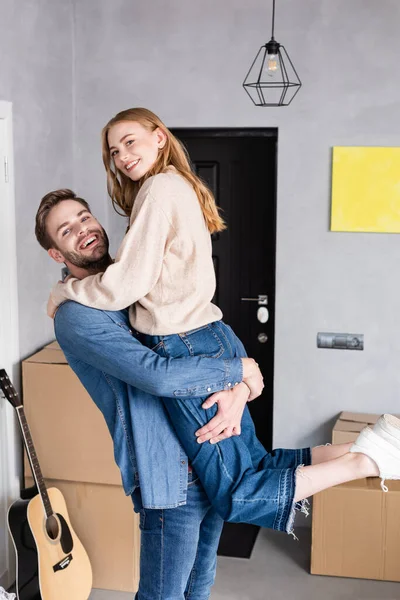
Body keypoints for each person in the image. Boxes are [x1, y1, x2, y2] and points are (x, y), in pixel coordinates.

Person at [41, 105, 400, 593]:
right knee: (188, 567)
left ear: (160, 138)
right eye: (67, 230)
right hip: (169, 472)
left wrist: (241, 380)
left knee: (213, 552)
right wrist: (239, 372)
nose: (85, 227)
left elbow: (167, 333)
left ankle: (369, 457)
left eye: (84, 216)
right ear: (56, 255)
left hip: (196, 412)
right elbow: (160, 375)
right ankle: (369, 454)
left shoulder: (125, 266)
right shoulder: (81, 313)